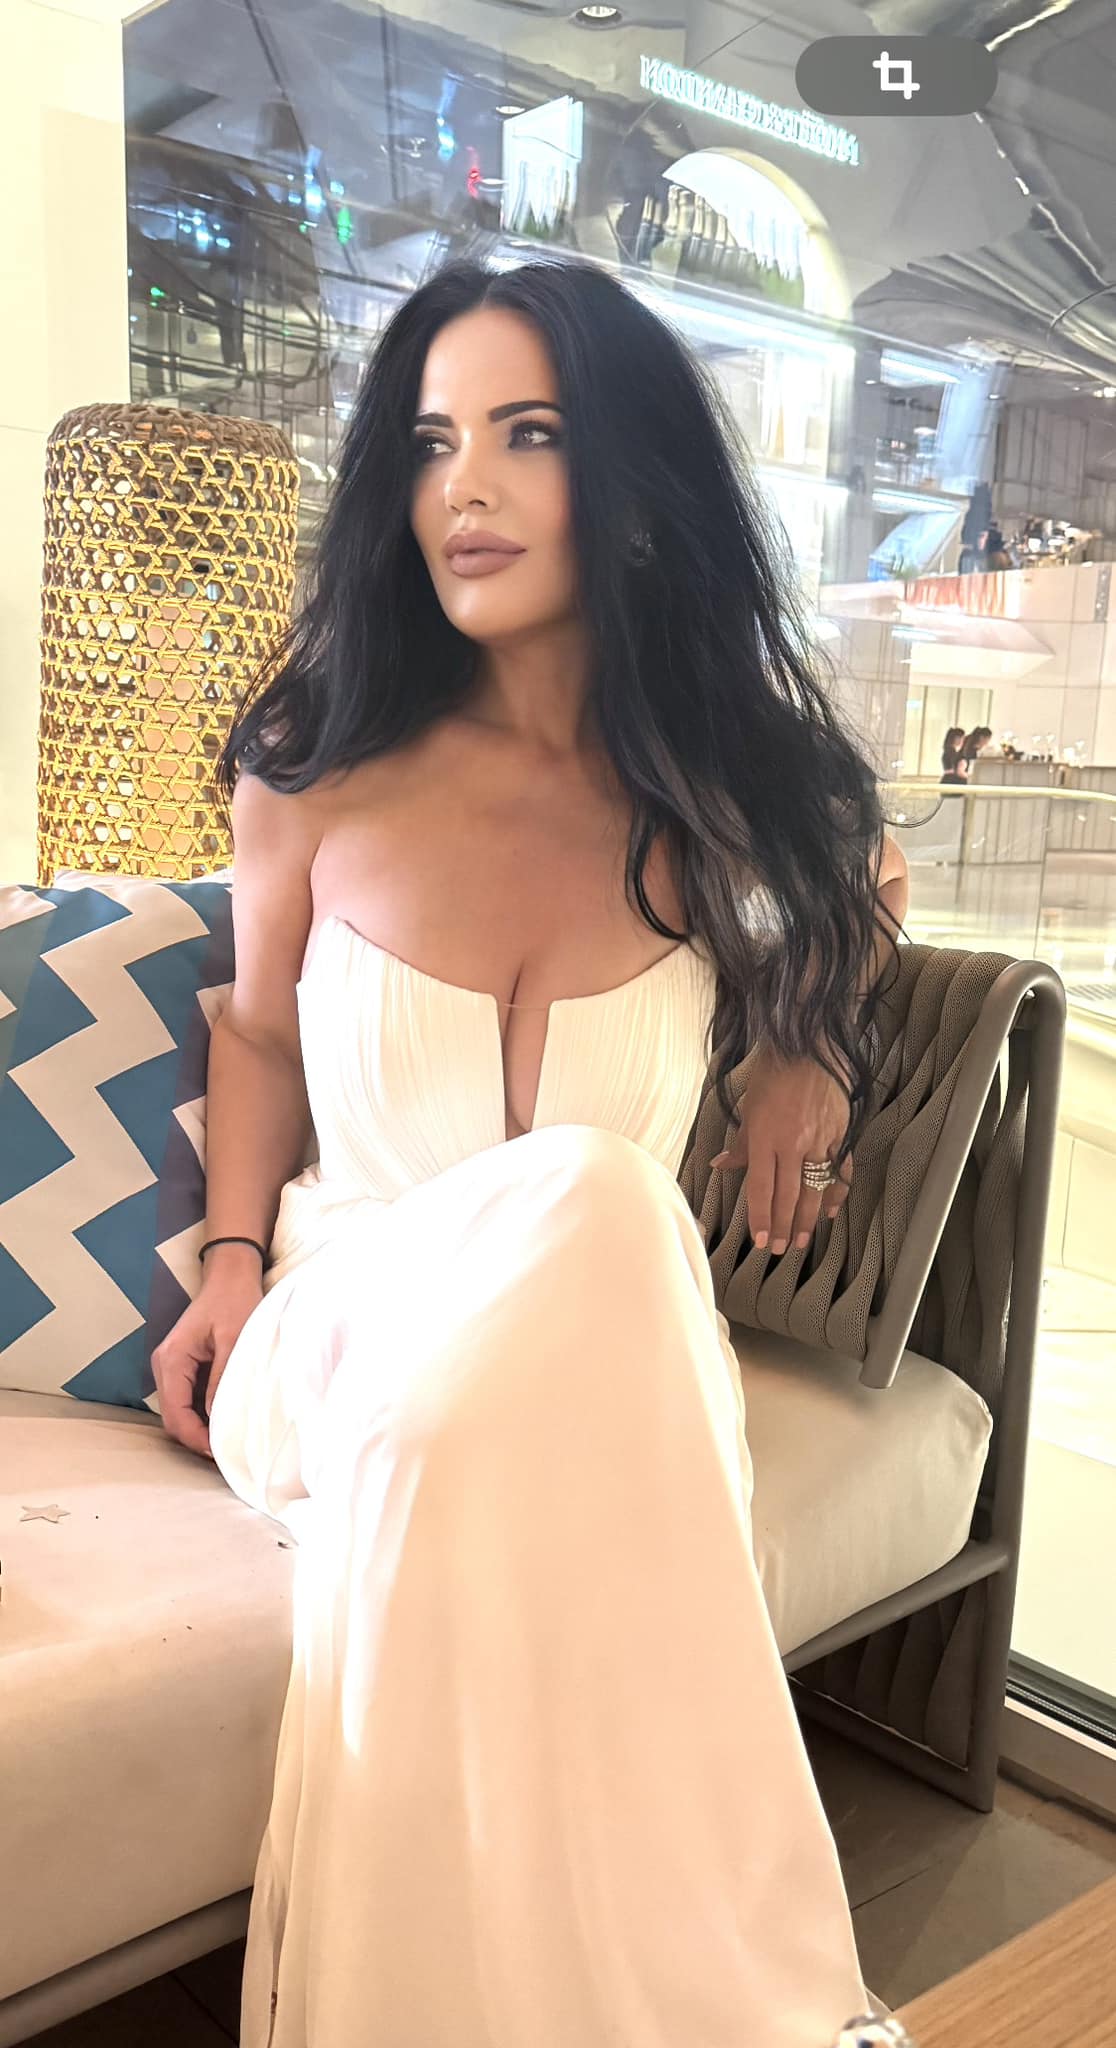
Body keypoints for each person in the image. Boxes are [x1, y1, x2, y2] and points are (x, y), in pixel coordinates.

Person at [152, 257, 910, 2048]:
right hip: (351, 1340)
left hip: (605, 1370)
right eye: (431, 444)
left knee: (603, 1220)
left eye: (528, 435)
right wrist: (230, 1271)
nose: (464, 490)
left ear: (632, 484)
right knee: (601, 1192)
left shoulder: (717, 796)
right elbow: (256, 1031)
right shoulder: (320, 764)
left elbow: (871, 871)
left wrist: (805, 1045)